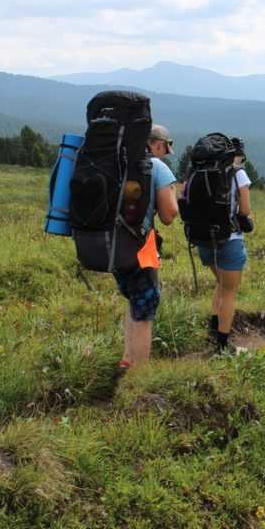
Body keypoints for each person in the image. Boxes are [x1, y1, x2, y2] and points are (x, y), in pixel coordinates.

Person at [117, 124, 178, 370]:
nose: (164, 153)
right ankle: (138, 377)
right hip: (140, 246)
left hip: (112, 243)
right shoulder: (157, 166)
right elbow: (168, 215)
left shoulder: (117, 163)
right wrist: (172, 192)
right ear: (155, 144)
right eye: (164, 148)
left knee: (134, 299)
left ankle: (127, 359)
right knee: (144, 306)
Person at [195, 139, 253, 354]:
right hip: (229, 238)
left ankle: (213, 326)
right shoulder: (238, 173)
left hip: (203, 238)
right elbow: (245, 210)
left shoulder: (199, 170)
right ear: (239, 155)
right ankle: (222, 344)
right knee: (229, 291)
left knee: (220, 283)